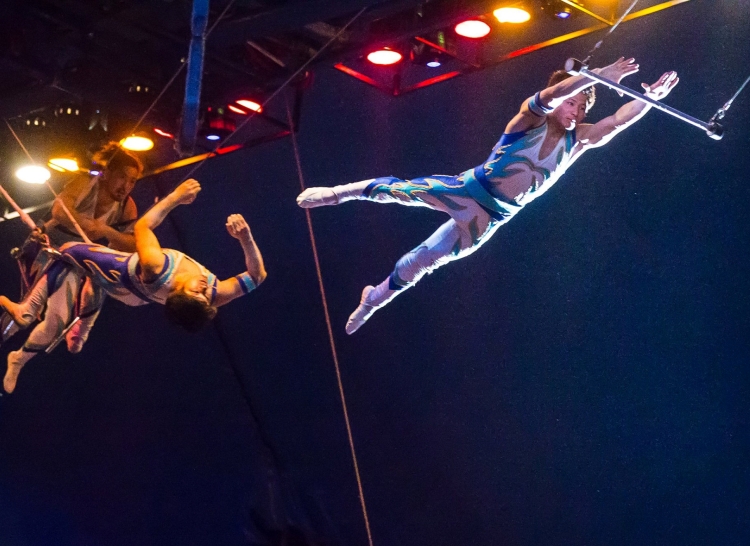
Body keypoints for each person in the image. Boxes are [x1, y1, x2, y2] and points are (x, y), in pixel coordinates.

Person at [297, 57, 679, 334]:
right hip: (468, 189)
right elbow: (553, 93)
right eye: (572, 102)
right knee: (398, 191)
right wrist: (595, 76)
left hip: (490, 218)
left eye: (582, 108)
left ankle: (373, 299)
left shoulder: (577, 141)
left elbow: (616, 122)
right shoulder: (528, 119)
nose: (576, 112)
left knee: (423, 262)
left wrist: (649, 100)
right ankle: (337, 194)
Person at [1, 179, 267, 394]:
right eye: (204, 294)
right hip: (135, 296)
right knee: (78, 300)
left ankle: (29, 308)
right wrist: (245, 238)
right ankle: (50, 344)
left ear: (178, 292)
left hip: (121, 279)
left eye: (196, 292)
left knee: (70, 251)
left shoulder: (155, 265)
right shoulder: (214, 293)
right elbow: (257, 276)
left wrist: (175, 197)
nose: (203, 287)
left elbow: (143, 226)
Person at [41, 142, 143, 353]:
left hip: (80, 254)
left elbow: (134, 244)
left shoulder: (127, 206)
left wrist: (105, 230)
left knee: (104, 275)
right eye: (122, 177)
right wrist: (86, 224)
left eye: (132, 181)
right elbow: (58, 211)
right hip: (51, 244)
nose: (126, 186)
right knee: (38, 304)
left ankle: (82, 327)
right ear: (107, 173)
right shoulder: (85, 183)